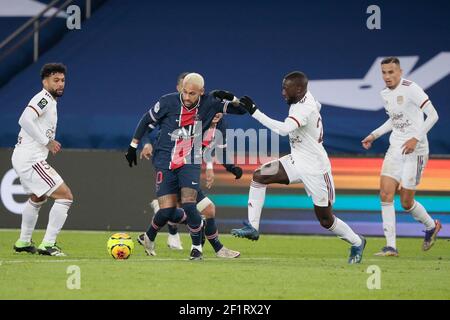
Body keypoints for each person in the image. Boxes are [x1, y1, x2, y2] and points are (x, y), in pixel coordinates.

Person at [231, 71, 366, 264]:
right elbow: (317, 106)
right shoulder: (305, 99)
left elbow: (284, 130)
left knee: (326, 220)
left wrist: (255, 112)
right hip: (297, 160)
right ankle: (253, 227)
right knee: (260, 175)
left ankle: (357, 241)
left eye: (286, 89)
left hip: (316, 169)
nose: (282, 92)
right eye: (283, 88)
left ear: (299, 89)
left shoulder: (304, 108)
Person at [125, 72, 245, 260]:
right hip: (165, 161)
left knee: (193, 205)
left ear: (202, 93)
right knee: (167, 211)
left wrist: (233, 98)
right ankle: (149, 235)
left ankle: (197, 248)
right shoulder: (168, 102)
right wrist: (135, 145)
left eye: (192, 94)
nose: (187, 98)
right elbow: (146, 122)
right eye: (185, 92)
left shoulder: (213, 108)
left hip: (190, 161)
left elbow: (241, 110)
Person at [361, 57, 441, 257]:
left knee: (406, 203)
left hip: (416, 150)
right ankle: (391, 247)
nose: (387, 76)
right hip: (396, 147)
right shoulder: (385, 94)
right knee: (385, 194)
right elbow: (394, 120)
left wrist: (415, 138)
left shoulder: (411, 88)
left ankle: (431, 226)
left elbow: (433, 115)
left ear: (400, 72)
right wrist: (374, 134)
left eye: (391, 72)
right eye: (384, 73)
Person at [139, 111, 242, 258]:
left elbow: (214, 149)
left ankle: (149, 234)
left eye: (221, 111)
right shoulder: (195, 120)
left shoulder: (221, 125)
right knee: (190, 210)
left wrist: (229, 168)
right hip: (178, 170)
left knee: (206, 210)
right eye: (215, 109)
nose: (217, 114)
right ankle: (208, 248)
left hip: (189, 171)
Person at [12, 63, 73, 257]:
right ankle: (48, 244)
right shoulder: (44, 99)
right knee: (65, 196)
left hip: (24, 156)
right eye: (55, 80)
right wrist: (47, 141)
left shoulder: (50, 101)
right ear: (44, 81)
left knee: (38, 197)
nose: (60, 84)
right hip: (31, 158)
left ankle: (23, 241)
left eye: (62, 80)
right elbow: (24, 119)